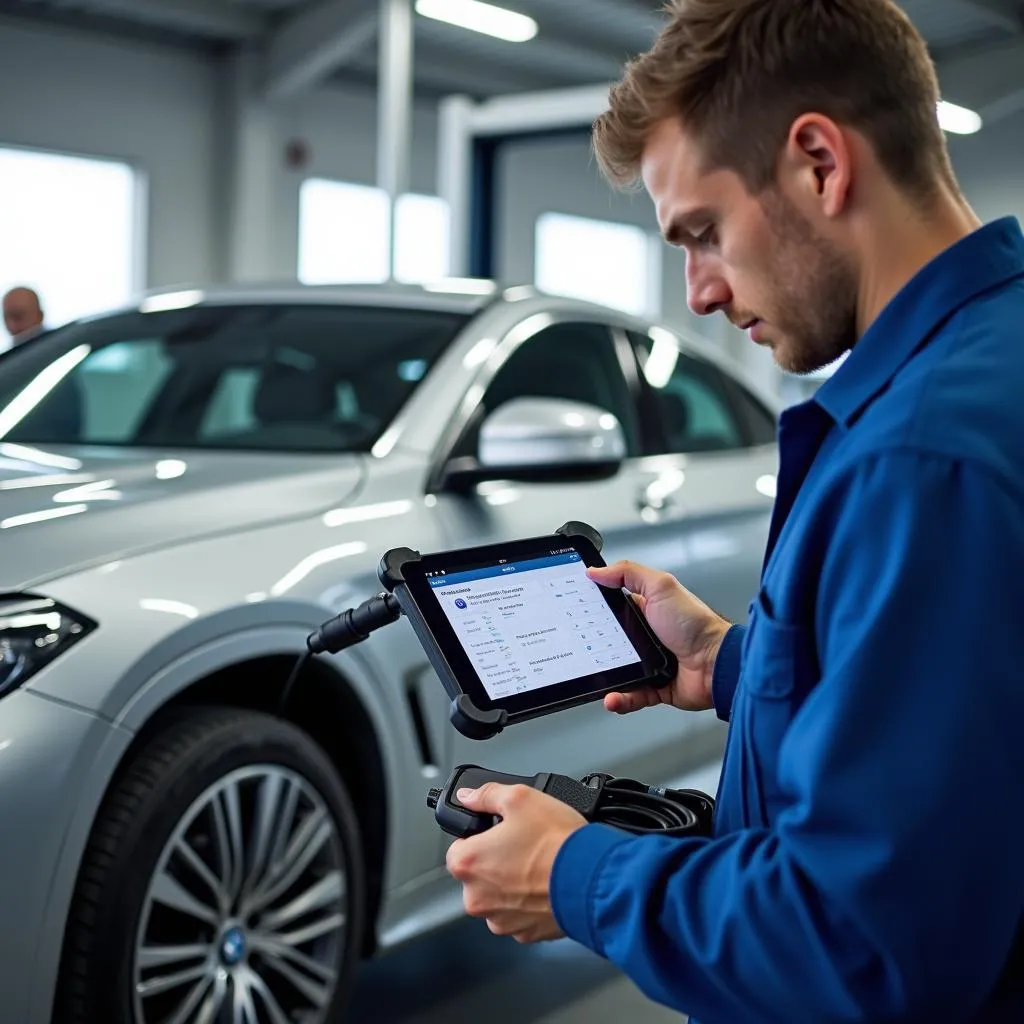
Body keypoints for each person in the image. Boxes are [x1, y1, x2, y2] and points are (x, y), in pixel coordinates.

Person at [444, 0, 1024, 1020]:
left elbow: (862, 944)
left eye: (702, 233)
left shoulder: (919, 457)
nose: (698, 293)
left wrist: (573, 874)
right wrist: (731, 660)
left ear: (816, 162)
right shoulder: (986, 365)